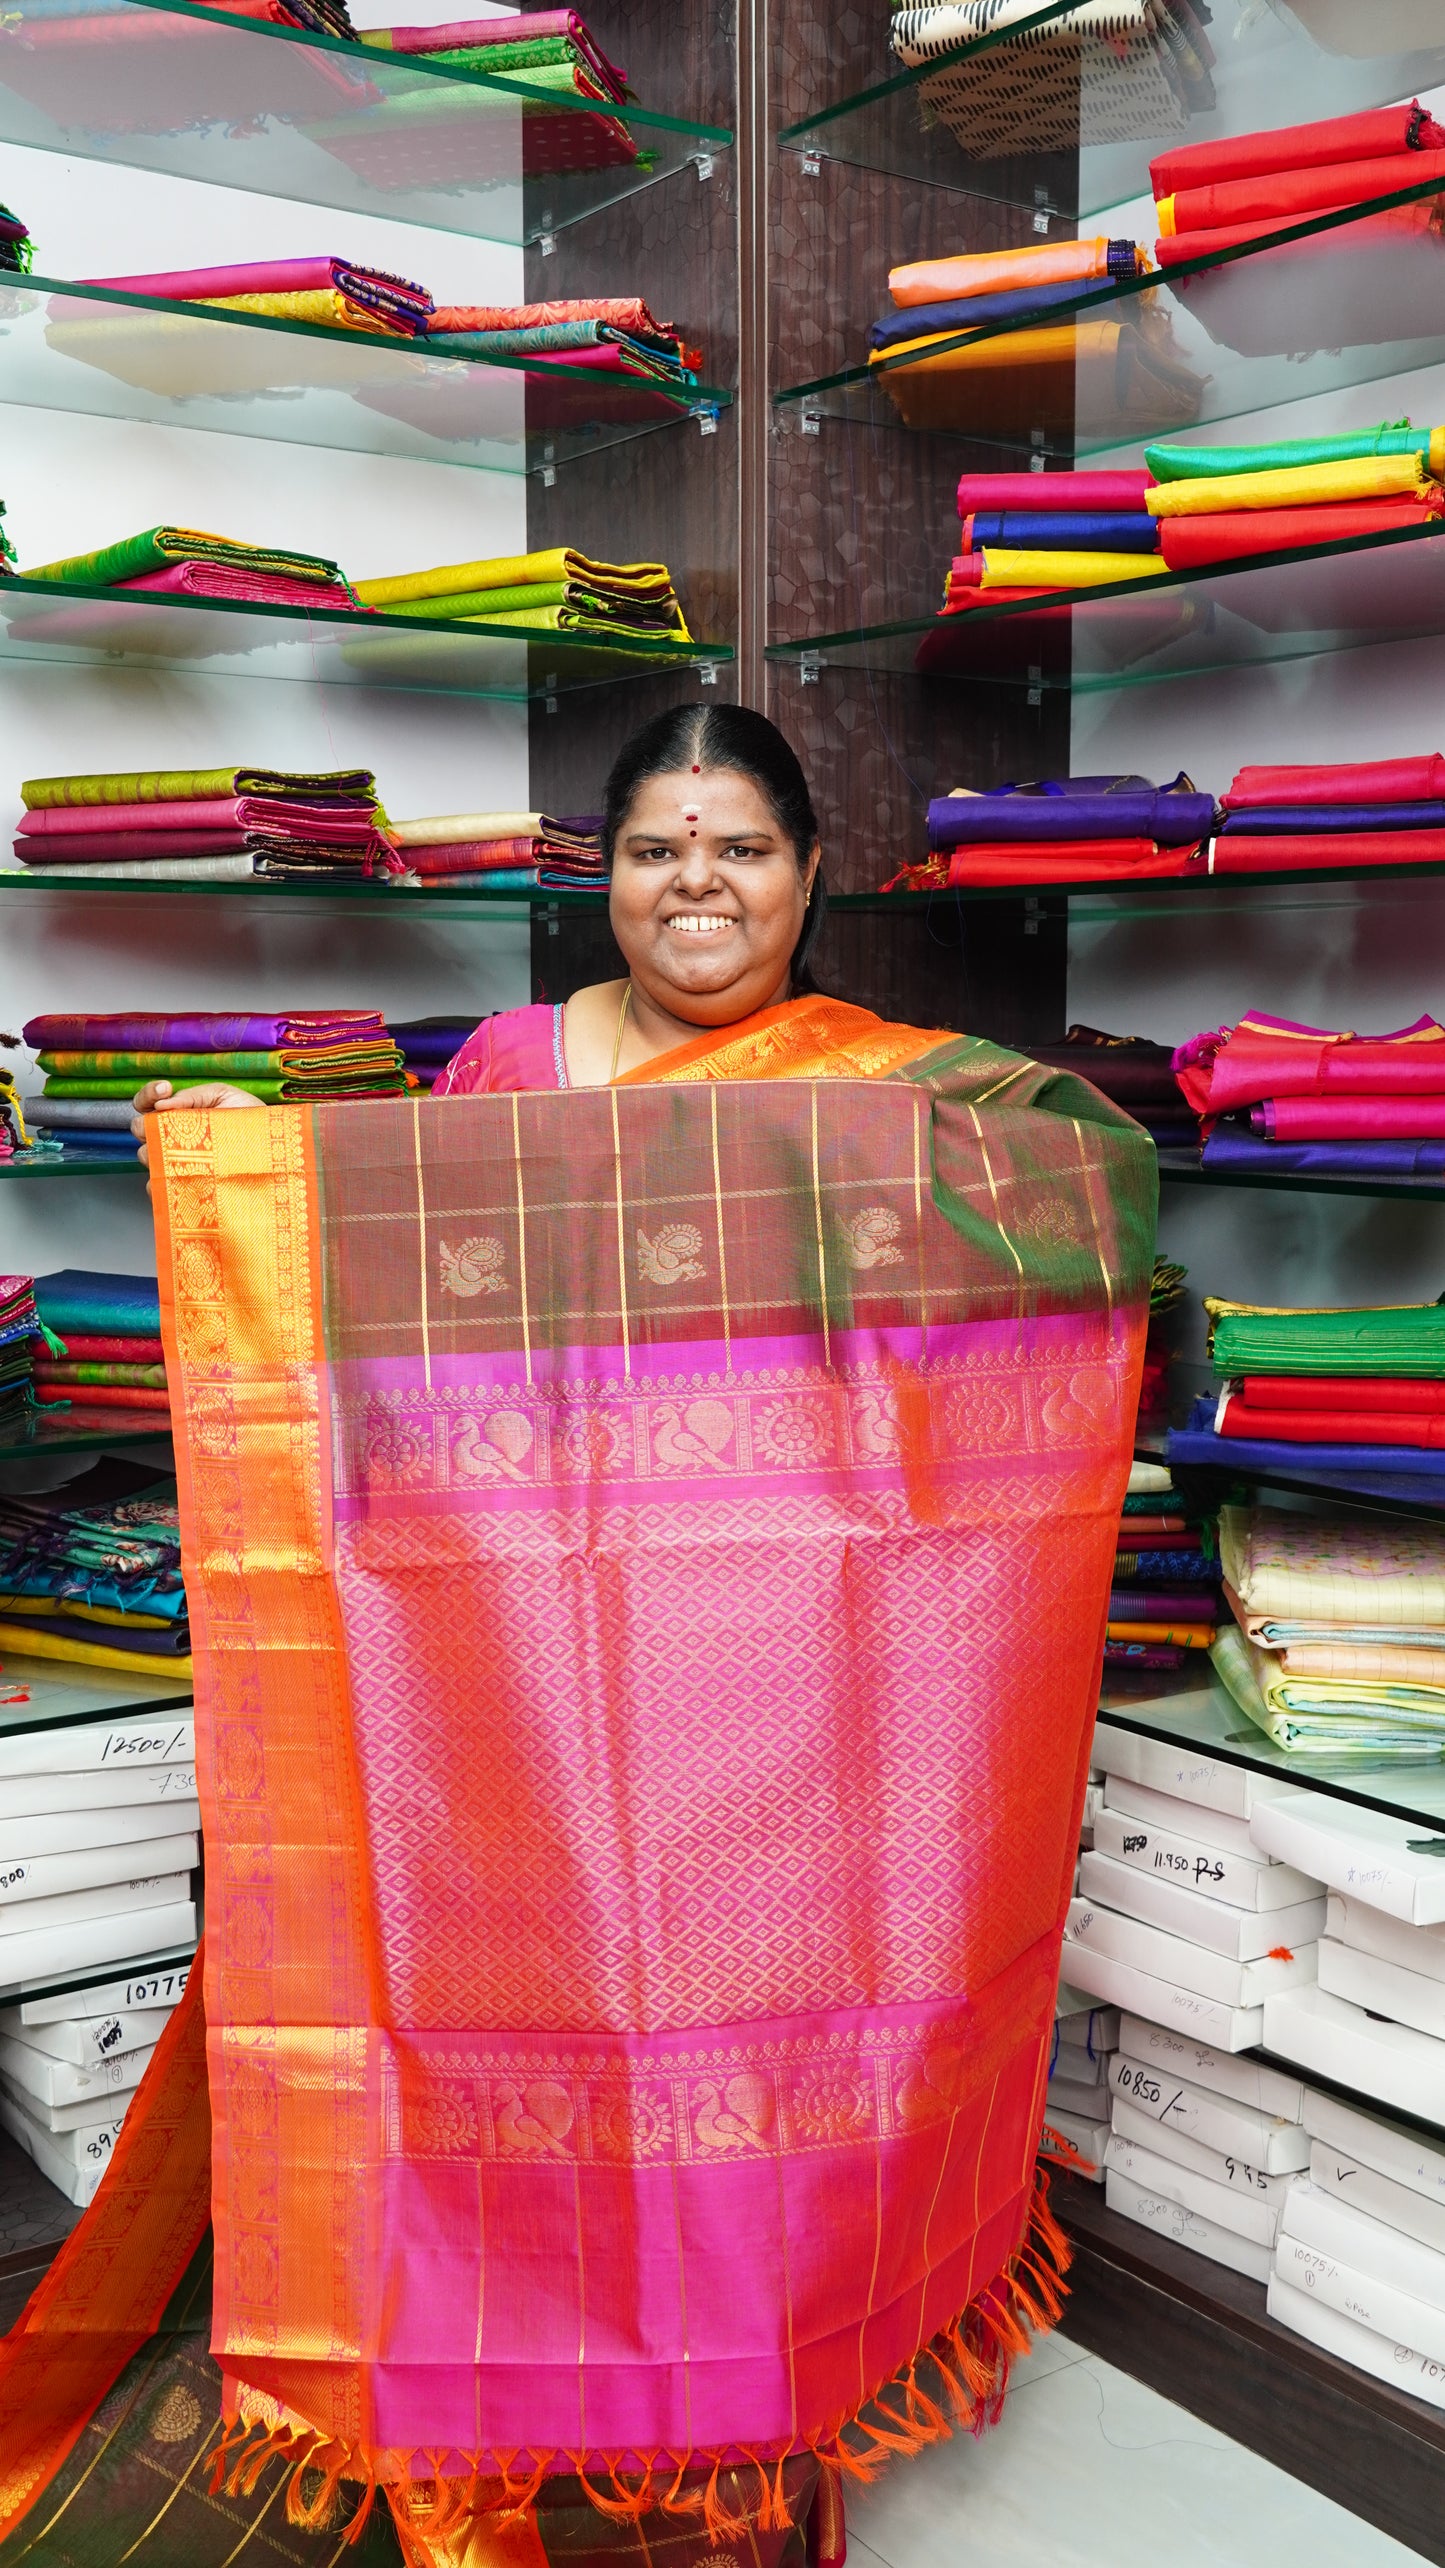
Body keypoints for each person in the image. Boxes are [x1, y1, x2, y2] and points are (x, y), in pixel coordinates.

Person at [1, 709, 1154, 2568]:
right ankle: (495, 2390)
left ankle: (730, 2410)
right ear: (603, 876)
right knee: (499, 2032)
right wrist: (249, 1172)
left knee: (740, 2031)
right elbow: (380, 1326)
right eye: (653, 849)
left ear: (802, 876)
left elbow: (1080, 1185)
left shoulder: (885, 1100)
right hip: (506, 1676)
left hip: (774, 1684)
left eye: (740, 849)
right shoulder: (510, 1064)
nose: (695, 886)